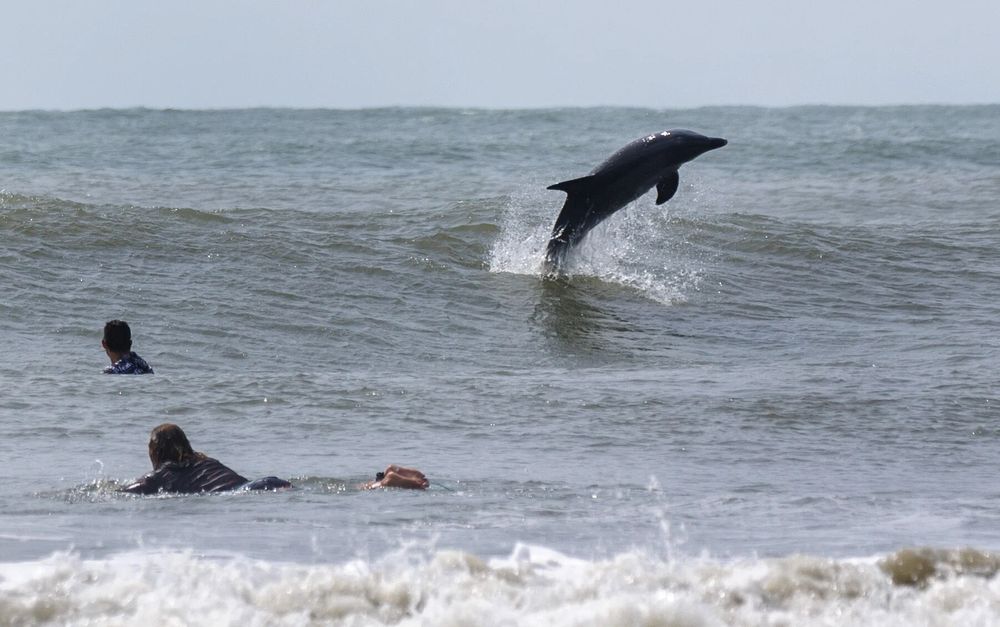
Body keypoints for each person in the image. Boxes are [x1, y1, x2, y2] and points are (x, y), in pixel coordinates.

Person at [121, 423, 428, 495]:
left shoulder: (164, 474)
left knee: (321, 495)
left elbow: (130, 492)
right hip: (261, 484)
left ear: (155, 454)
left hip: (252, 492)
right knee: (325, 493)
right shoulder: (204, 461)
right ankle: (382, 480)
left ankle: (387, 482)